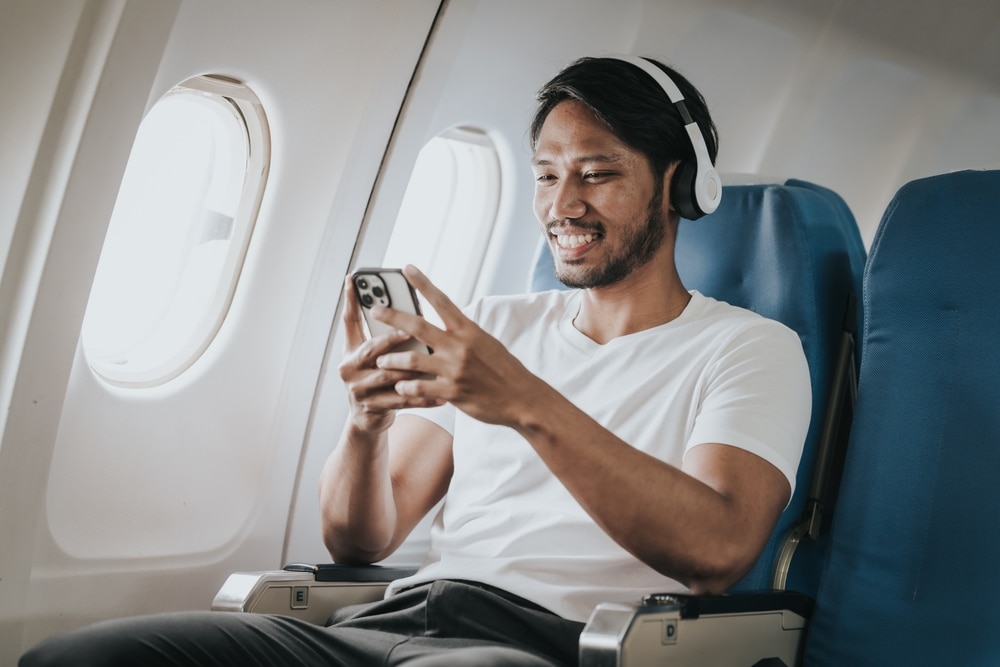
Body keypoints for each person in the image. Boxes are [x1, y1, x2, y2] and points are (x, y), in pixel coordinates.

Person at [20, 55, 810, 667]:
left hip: (554, 643)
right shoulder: (495, 326)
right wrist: (366, 424)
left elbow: (717, 551)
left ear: (679, 185)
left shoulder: (749, 349)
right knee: (78, 657)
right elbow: (359, 542)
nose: (562, 204)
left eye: (597, 173)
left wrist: (524, 400)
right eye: (545, 174)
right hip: (392, 621)